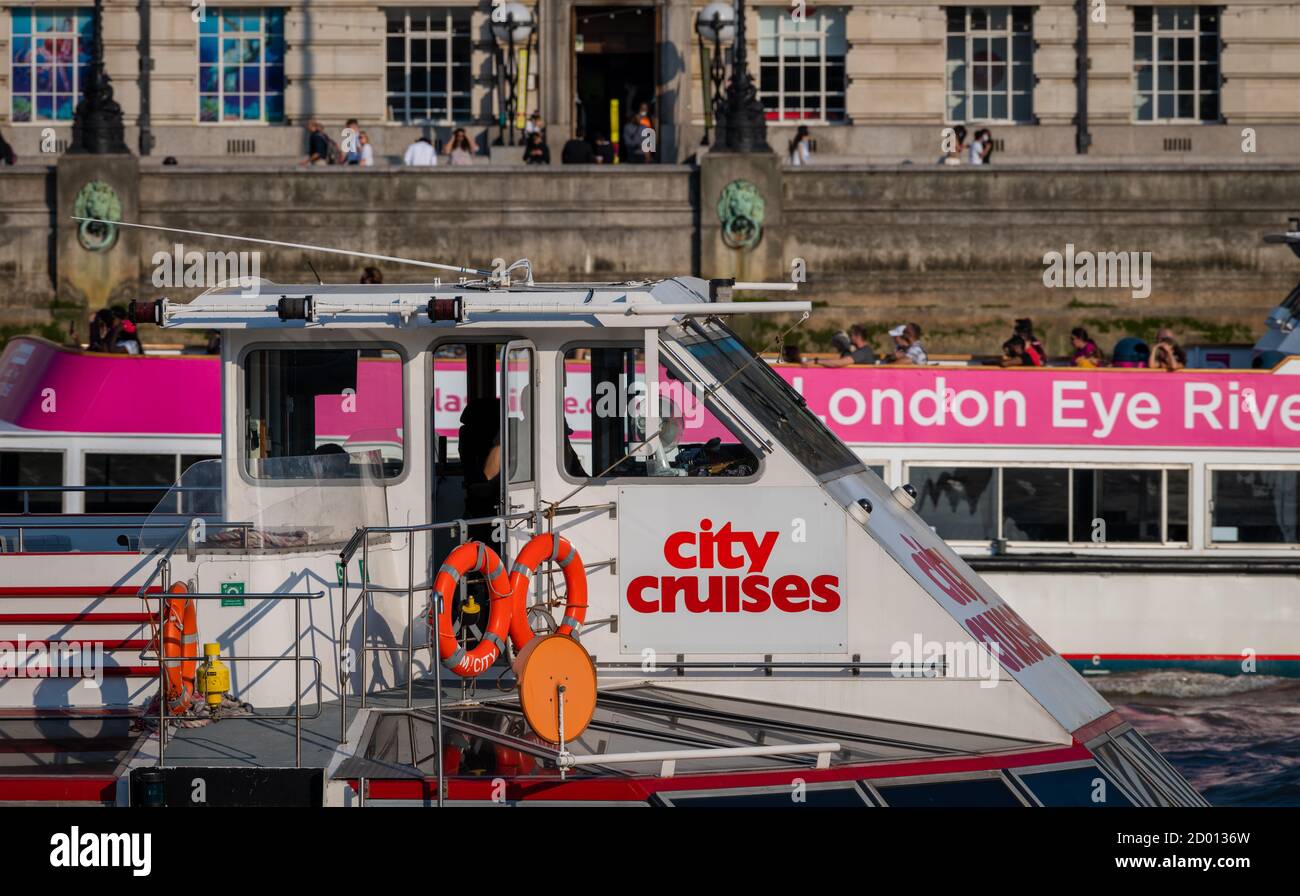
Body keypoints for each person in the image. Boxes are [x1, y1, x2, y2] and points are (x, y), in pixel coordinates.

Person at [804, 324, 876, 367]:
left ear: (858, 337)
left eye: (852, 335)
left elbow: (838, 363)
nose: (850, 338)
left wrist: (816, 361)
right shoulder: (863, 350)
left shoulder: (863, 352)